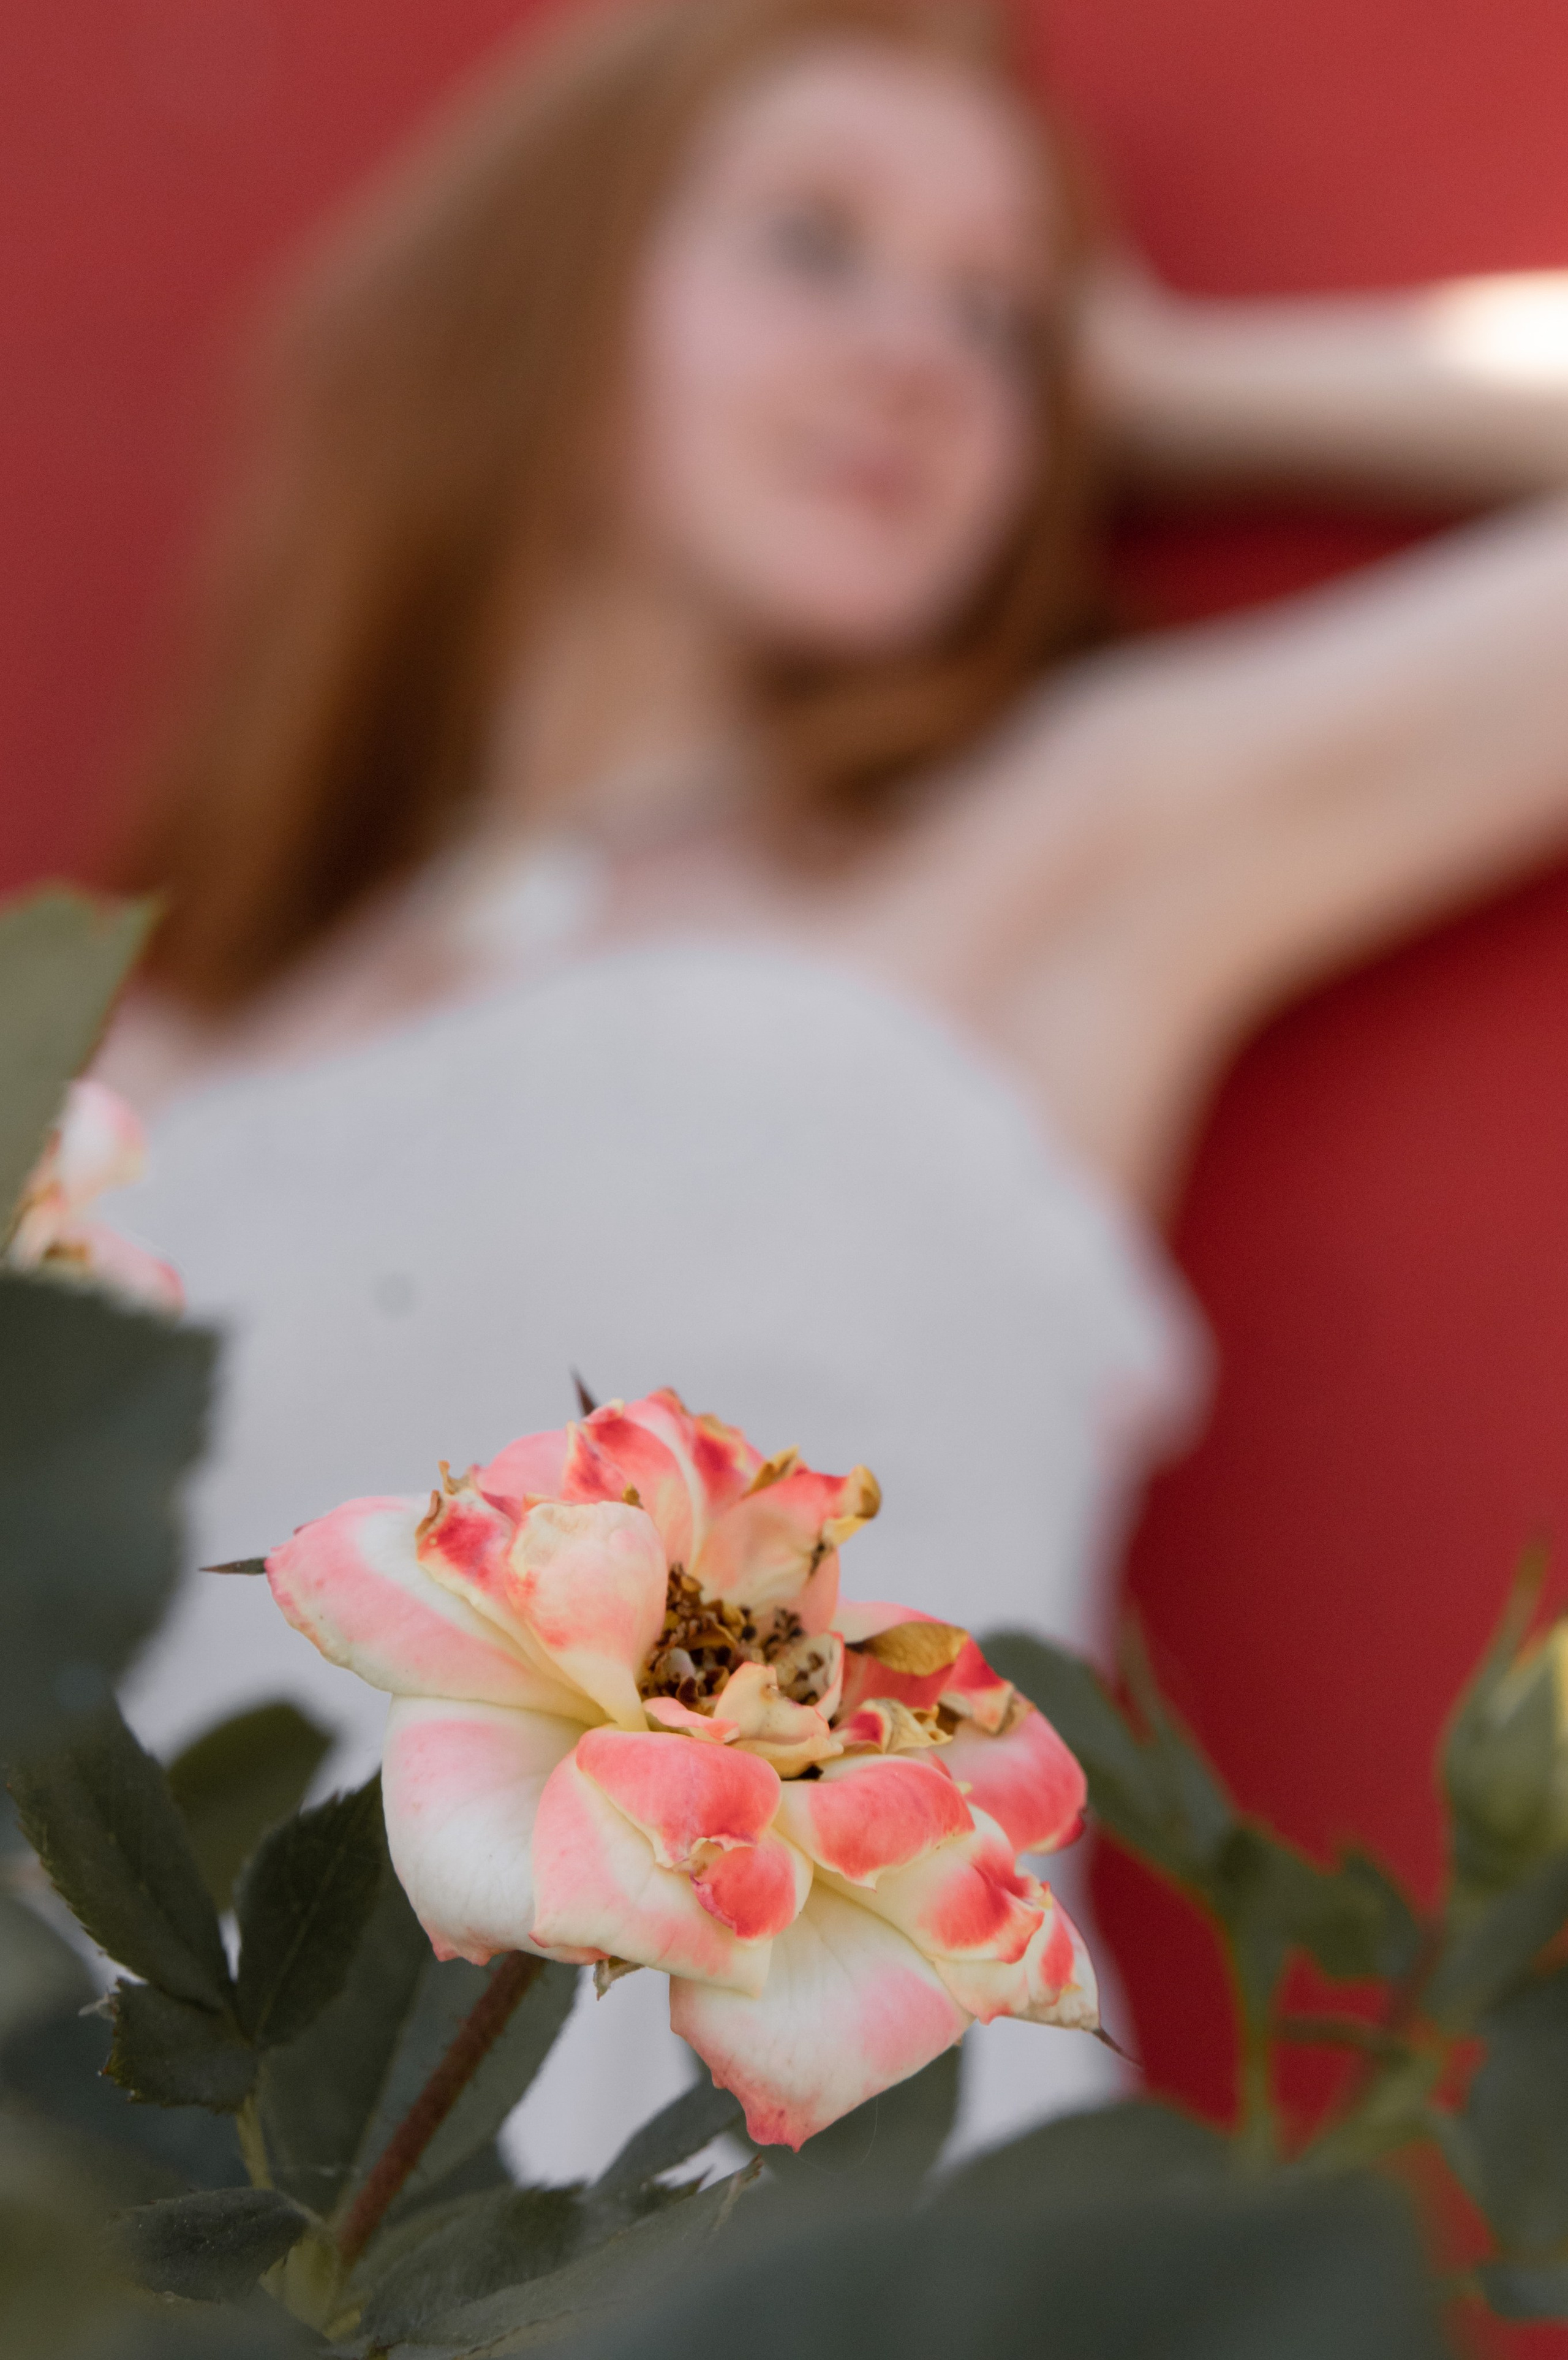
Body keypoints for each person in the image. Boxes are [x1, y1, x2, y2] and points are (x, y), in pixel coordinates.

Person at [100, 0, 1568, 2169]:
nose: (925, 352)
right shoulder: (143, 1024)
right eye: (818, 242)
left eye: (997, 309)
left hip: (769, 2251)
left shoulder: (1041, 861)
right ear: (548, 284)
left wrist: (1158, 379)